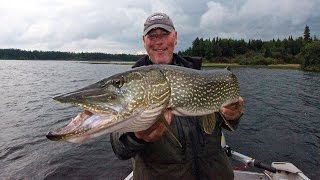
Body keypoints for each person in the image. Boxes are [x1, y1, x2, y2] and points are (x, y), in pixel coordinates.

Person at [110, 12, 244, 180]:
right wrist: (136, 136)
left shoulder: (201, 76)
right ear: (144, 41)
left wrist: (233, 115)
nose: (159, 41)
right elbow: (119, 147)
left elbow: (227, 122)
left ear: (175, 37)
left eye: (164, 34)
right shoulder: (133, 85)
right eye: (152, 36)